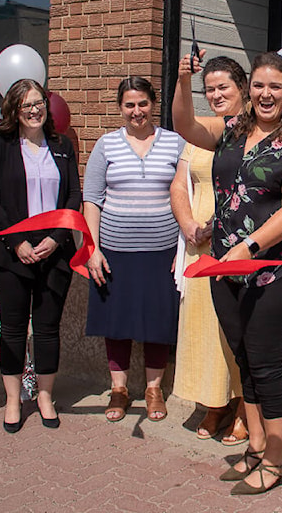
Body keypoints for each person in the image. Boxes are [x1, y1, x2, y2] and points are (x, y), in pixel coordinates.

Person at [173, 50, 282, 495]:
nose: (265, 93)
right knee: (245, 360)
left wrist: (249, 246)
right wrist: (183, 81)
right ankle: (255, 445)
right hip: (224, 268)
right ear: (249, 90)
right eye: (259, 85)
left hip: (275, 270)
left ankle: (276, 458)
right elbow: (184, 127)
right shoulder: (232, 129)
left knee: (268, 363)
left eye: (275, 86)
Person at [0, 79, 82, 433]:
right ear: (14, 110)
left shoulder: (62, 145)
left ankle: (44, 396)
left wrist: (56, 239)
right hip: (13, 253)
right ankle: (12, 399)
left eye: (39, 102)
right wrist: (17, 243)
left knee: (47, 329)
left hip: (54, 253)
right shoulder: (1, 145)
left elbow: (72, 198)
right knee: (12, 328)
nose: (35, 110)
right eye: (26, 105)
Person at [83, 77, 185, 423]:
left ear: (153, 104)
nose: (136, 111)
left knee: (158, 321)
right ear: (120, 108)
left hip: (162, 250)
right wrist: (93, 249)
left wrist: (183, 247)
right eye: (129, 105)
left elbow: (188, 195)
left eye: (142, 103)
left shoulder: (174, 143)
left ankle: (154, 390)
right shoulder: (106, 145)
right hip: (114, 251)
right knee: (118, 322)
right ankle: (120, 389)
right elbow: (92, 199)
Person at [170, 56, 249, 446]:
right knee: (204, 327)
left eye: (224, 88)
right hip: (197, 245)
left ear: (243, 87)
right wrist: (188, 226)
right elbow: (180, 185)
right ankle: (214, 401)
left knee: (232, 327)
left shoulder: (253, 131)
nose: (217, 95)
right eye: (210, 89)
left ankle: (241, 406)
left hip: (238, 246)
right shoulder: (201, 131)